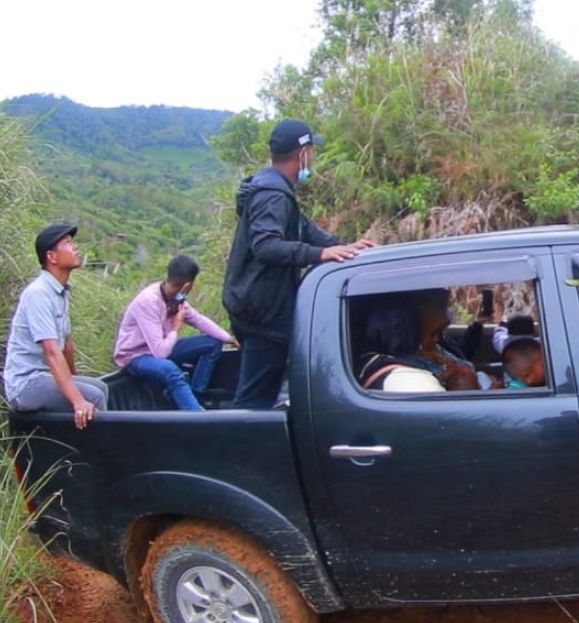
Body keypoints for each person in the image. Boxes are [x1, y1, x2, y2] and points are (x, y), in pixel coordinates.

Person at [223, 119, 376, 408]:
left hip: (259, 309)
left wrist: (340, 246)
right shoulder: (272, 194)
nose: (313, 157)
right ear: (302, 153)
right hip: (264, 314)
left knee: (264, 391)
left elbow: (303, 228)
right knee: (253, 400)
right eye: (312, 150)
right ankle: (239, 450)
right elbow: (265, 245)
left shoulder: (274, 188)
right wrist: (318, 255)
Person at [3, 225, 108, 429]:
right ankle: (95, 457)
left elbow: (66, 345)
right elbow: (52, 351)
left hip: (45, 377)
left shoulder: (60, 291)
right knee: (92, 397)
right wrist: (77, 400)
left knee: (100, 387)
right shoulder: (39, 294)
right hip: (26, 384)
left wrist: (76, 381)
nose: (76, 247)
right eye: (68, 243)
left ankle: (79, 444)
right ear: (52, 257)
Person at [113, 255, 238, 410]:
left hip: (162, 348)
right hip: (136, 356)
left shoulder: (176, 298)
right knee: (170, 369)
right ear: (187, 285)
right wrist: (175, 328)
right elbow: (160, 353)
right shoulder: (149, 302)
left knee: (212, 344)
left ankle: (195, 396)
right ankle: (197, 416)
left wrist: (230, 339)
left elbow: (198, 320)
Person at [358, 295, 445, 393]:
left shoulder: (368, 362)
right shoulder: (411, 380)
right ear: (413, 330)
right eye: (433, 333)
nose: (437, 339)